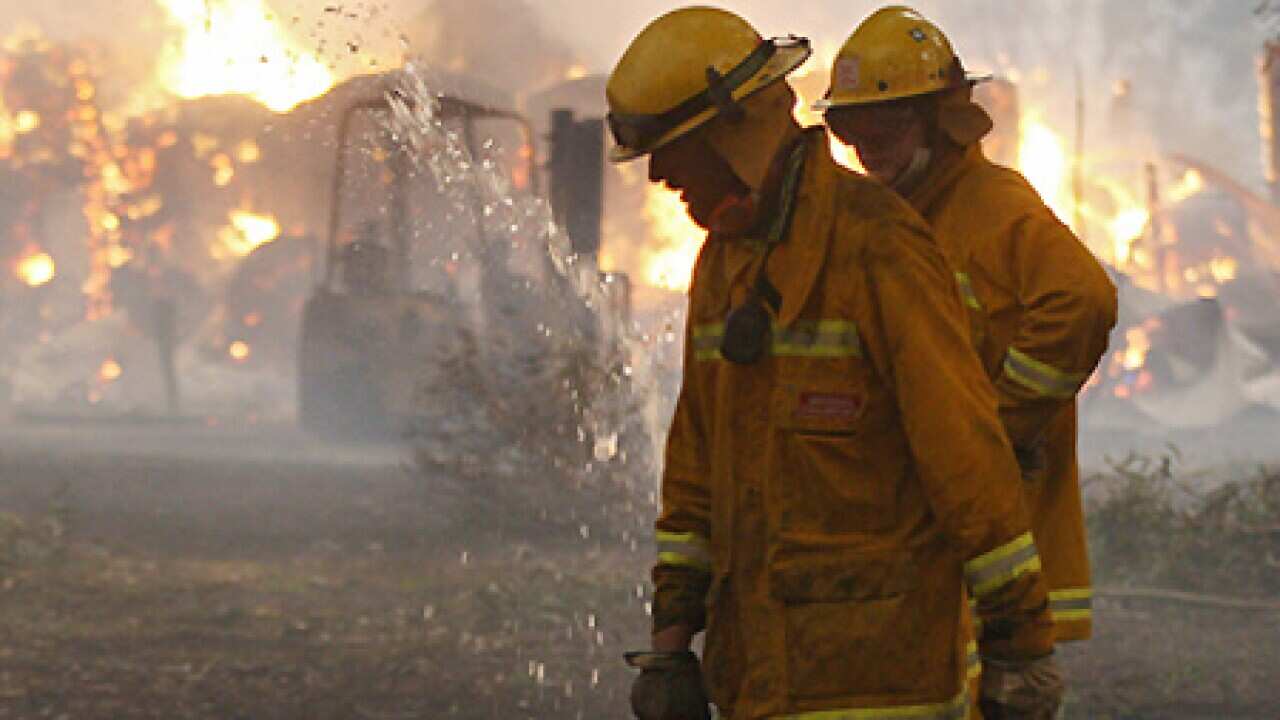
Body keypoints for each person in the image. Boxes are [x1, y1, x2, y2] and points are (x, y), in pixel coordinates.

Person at [608, 7, 1063, 720]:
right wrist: (671, 643)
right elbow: (695, 464)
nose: (663, 176)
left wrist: (1020, 644)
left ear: (742, 127)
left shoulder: (879, 247)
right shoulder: (723, 264)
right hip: (756, 680)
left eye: (677, 150)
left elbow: (965, 458)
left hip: (882, 683)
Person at [819, 6, 1118, 715]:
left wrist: (1000, 424)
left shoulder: (994, 206)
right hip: (922, 527)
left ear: (940, 119)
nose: (868, 152)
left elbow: (1083, 302)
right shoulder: (892, 216)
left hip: (997, 529)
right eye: (852, 134)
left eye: (884, 132)